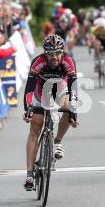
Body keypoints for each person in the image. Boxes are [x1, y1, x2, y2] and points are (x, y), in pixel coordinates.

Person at [23, 34, 78, 190]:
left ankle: (58, 141)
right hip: (41, 92)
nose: (54, 57)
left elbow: (73, 88)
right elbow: (28, 88)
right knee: (35, 127)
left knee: (68, 109)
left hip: (60, 89)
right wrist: (28, 109)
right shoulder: (38, 62)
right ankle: (29, 174)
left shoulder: (68, 62)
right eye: (50, 53)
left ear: (62, 51)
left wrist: (74, 112)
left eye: (57, 53)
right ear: (45, 53)